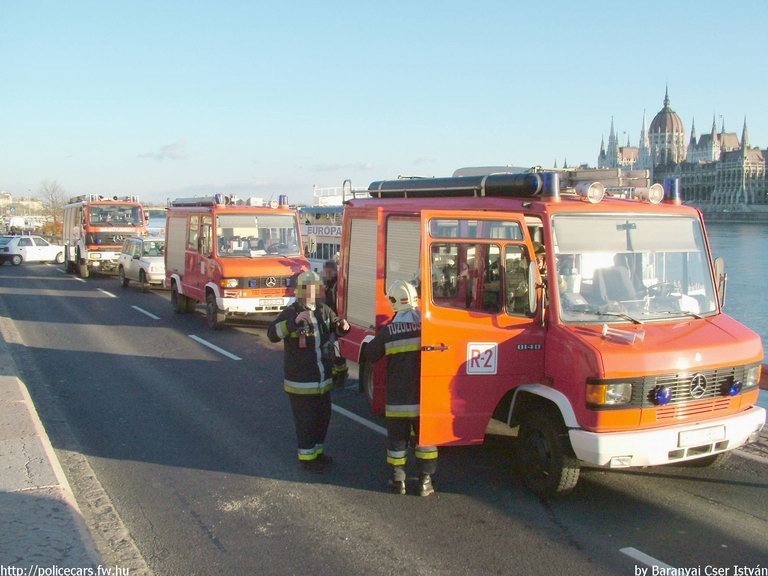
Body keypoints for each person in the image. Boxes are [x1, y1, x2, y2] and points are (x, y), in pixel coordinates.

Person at [267, 270, 350, 472]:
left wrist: (343, 327)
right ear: (301, 291)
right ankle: (307, 459)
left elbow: (335, 331)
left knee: (323, 419)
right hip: (301, 382)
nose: (312, 292)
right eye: (308, 289)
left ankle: (317, 453)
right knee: (306, 422)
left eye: (315, 288)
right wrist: (293, 323)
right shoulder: (292, 312)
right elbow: (272, 334)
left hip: (322, 382)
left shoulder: (323, 310)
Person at [364, 280, 438, 496]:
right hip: (423, 399)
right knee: (426, 442)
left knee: (397, 443)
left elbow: (371, 355)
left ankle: (399, 483)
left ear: (394, 302)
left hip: (397, 400)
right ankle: (425, 482)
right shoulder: (428, 329)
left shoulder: (389, 331)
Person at [323, 260, 348, 388]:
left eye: (328, 272)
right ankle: (336, 374)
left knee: (335, 349)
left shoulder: (336, 285)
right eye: (325, 272)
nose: (326, 274)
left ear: (333, 271)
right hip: (332, 321)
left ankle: (340, 375)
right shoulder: (330, 284)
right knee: (333, 349)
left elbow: (334, 304)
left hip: (335, 321)